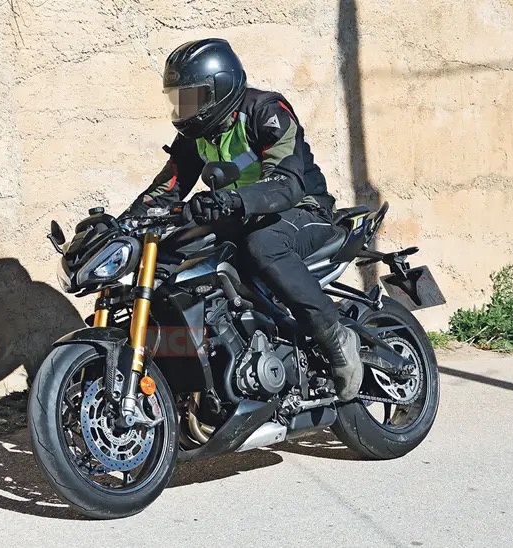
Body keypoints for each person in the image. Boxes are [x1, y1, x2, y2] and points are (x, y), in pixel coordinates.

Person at [125, 38, 362, 401]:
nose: (184, 107)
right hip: (237, 214)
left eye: (192, 97)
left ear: (220, 88)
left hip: (302, 211)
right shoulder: (196, 135)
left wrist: (232, 199)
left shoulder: (267, 111)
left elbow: (287, 181)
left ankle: (335, 337)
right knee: (170, 254)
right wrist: (122, 224)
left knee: (262, 246)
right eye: (178, 98)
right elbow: (168, 189)